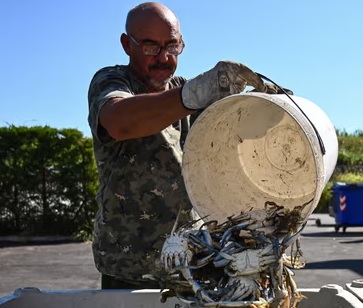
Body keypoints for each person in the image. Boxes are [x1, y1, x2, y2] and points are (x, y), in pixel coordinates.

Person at [87, 2, 285, 289]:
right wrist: (194, 95)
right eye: (150, 47)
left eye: (172, 45)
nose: (164, 57)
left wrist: (266, 106)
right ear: (126, 45)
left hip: (192, 261)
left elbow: (241, 131)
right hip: (129, 267)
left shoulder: (188, 91)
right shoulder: (113, 81)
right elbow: (119, 121)